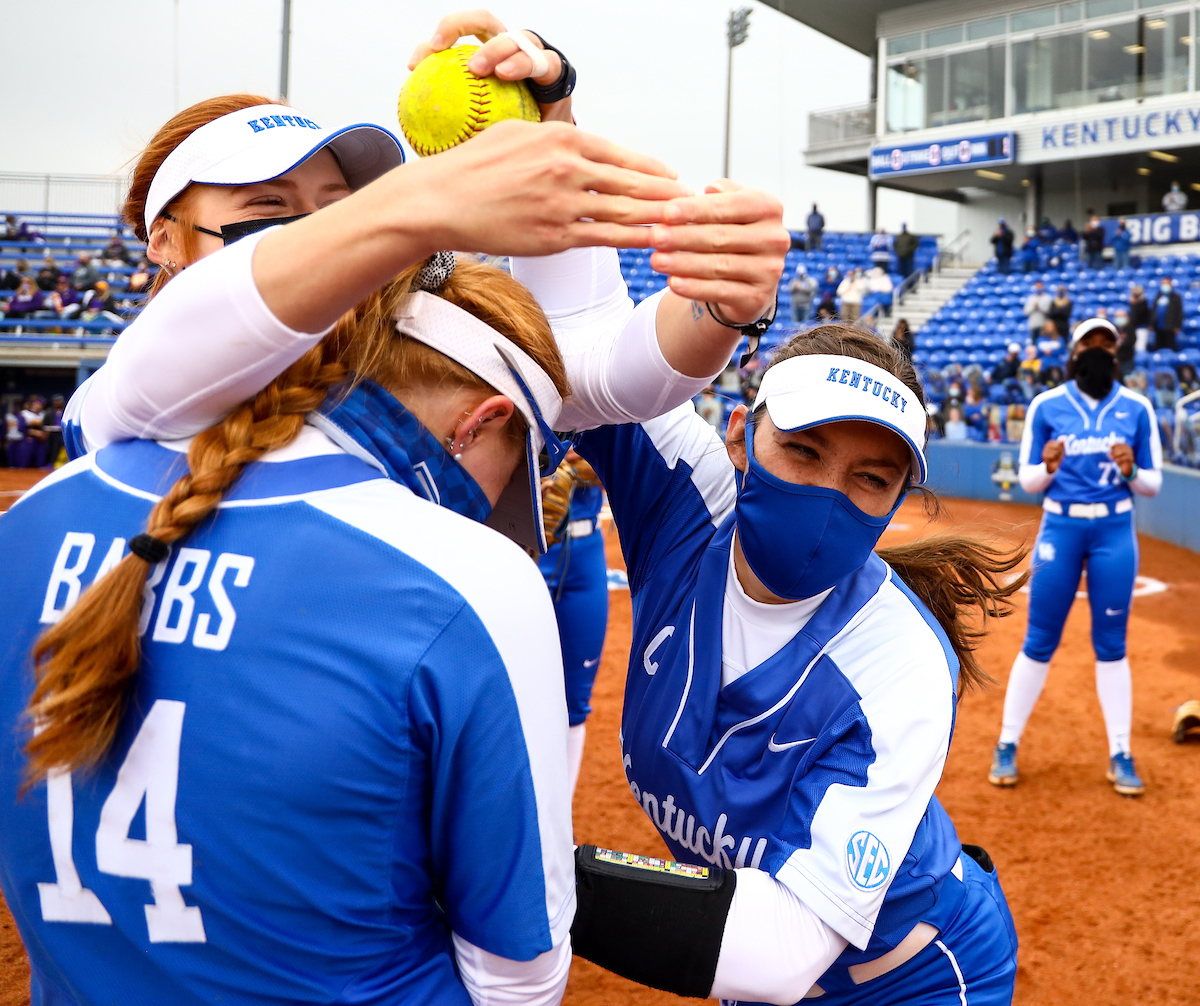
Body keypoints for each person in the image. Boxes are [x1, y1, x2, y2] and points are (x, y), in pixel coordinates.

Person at [1, 14, 788, 1001]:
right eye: (271, 211)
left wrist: (724, 296)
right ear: (163, 242)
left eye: (336, 207)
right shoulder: (423, 568)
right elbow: (516, 974)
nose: (317, 237)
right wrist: (412, 206)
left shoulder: (58, 501)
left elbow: (605, 367)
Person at [567, 325, 1022, 1006]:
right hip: (745, 954)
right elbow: (581, 326)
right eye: (802, 450)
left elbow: (781, 949)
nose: (826, 494)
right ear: (740, 437)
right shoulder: (688, 508)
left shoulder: (901, 662)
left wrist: (514, 874)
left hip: (908, 980)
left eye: (871, 478)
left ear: (896, 501)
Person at [990, 318, 1162, 797]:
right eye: (1091, 344)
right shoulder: (1047, 405)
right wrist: (1046, 467)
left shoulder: (1137, 407)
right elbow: (1027, 481)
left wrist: (1132, 470)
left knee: (1112, 643)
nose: (1100, 352)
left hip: (1113, 528)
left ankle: (1121, 752)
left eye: (1108, 346)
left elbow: (1154, 483)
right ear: (1074, 351)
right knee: (1039, 638)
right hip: (1061, 525)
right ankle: (1007, 743)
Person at [537, 450, 610, 796]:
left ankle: (559, 820)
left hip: (586, 554)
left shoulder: (605, 397)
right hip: (525, 543)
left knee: (575, 698)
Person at [1152, 277, 1183, 351]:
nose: (1164, 286)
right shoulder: (1158, 296)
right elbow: (1154, 310)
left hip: (1170, 328)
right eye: (1163, 284)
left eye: (1166, 284)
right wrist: (1151, 324)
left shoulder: (1175, 297)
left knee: (1170, 347)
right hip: (1158, 327)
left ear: (1171, 285)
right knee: (1158, 348)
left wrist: (1177, 326)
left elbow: (1179, 313)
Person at [1128, 283, 1152, 352]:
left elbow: (1141, 313)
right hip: (1133, 328)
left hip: (1142, 328)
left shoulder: (1143, 302)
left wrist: (1135, 304)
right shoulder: (1133, 303)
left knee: (1140, 348)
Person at [1113, 307, 1136, 376]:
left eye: (1121, 316)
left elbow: (1133, 340)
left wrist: (1122, 343)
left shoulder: (1130, 328)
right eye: (1118, 317)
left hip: (1127, 359)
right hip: (1116, 360)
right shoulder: (1114, 328)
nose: (1120, 318)